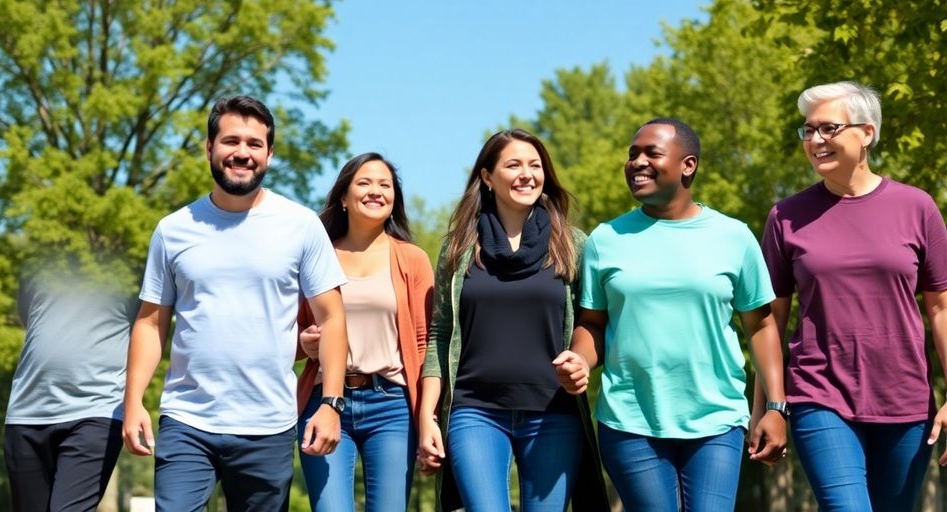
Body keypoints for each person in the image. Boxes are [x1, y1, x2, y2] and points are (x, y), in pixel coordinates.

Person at [121, 95, 349, 511]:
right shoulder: (172, 230)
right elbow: (150, 323)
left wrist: (332, 403)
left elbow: (333, 318)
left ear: (269, 154)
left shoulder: (300, 226)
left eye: (254, 144)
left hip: (268, 425)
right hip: (187, 421)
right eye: (230, 141)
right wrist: (133, 400)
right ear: (209, 148)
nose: (242, 153)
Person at [554, 118, 788, 511]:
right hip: (629, 421)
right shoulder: (605, 240)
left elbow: (761, 324)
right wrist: (578, 360)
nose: (637, 162)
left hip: (717, 419)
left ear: (688, 165)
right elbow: (592, 324)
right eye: (632, 154)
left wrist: (776, 407)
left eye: (651, 153)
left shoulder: (734, 236)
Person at [761, 81, 947, 511]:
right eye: (808, 131)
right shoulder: (785, 216)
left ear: (867, 133)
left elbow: (939, 308)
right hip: (819, 395)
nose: (815, 140)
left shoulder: (917, 208)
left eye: (828, 128)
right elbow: (768, 320)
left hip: (906, 401)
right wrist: (769, 406)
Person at [417, 129, 608, 512]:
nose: (527, 174)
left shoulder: (573, 245)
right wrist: (427, 416)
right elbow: (440, 334)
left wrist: (582, 361)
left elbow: (594, 323)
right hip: (475, 412)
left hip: (554, 414)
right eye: (513, 164)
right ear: (487, 177)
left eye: (535, 165)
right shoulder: (457, 249)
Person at [294, 152, 434, 511]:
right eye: (364, 183)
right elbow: (287, 331)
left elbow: (425, 343)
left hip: (391, 405)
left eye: (385, 185)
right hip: (324, 402)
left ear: (393, 200)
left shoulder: (411, 259)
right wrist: (304, 343)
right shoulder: (315, 255)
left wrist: (426, 416)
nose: (376, 191)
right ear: (343, 197)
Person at [3, 263, 137, 512]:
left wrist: (135, 400)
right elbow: (28, 316)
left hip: (97, 409)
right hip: (26, 411)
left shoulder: (134, 264)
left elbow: (148, 327)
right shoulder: (37, 262)